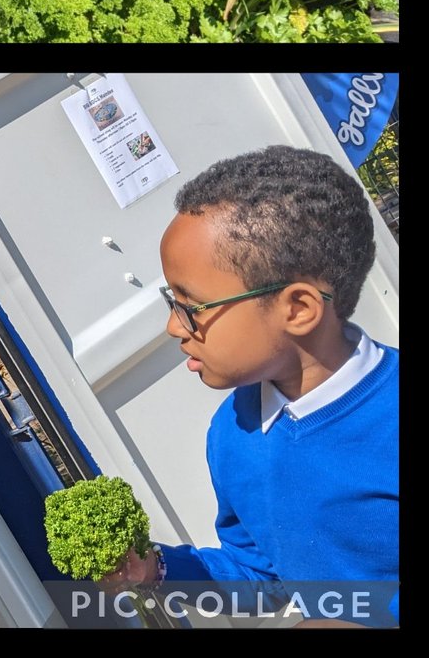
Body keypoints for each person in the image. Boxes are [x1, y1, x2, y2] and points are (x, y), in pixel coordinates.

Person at [107, 145, 398, 627]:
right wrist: (159, 569)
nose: (174, 328)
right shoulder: (232, 433)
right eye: (170, 300)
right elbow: (260, 575)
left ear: (299, 309)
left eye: (191, 305)